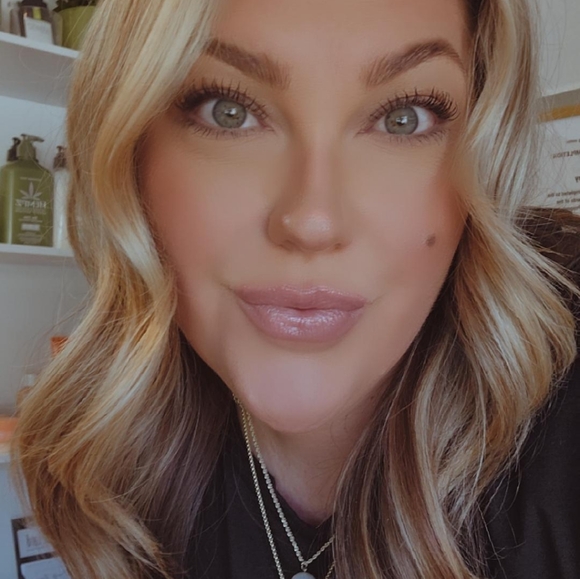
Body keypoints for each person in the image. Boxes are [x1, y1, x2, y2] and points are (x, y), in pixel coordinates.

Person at [12, 0, 580, 577]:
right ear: (130, 153)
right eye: (228, 111)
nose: (312, 222)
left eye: (404, 117)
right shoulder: (113, 461)